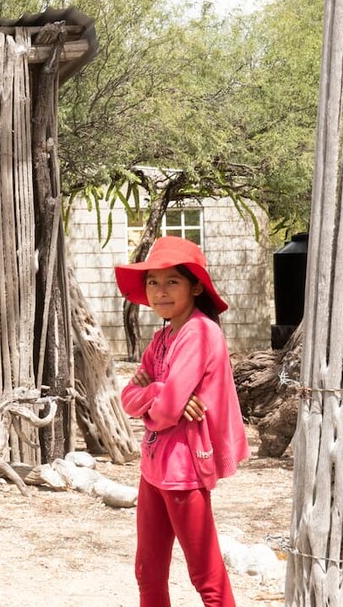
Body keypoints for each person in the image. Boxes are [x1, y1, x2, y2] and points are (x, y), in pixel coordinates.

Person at [116, 236, 249, 607]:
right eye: (153, 282)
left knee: (206, 577)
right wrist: (159, 390)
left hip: (184, 472)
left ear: (194, 286)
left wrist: (158, 397)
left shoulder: (201, 332)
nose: (161, 291)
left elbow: (166, 409)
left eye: (172, 281)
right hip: (153, 468)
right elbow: (130, 398)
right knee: (147, 571)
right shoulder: (161, 338)